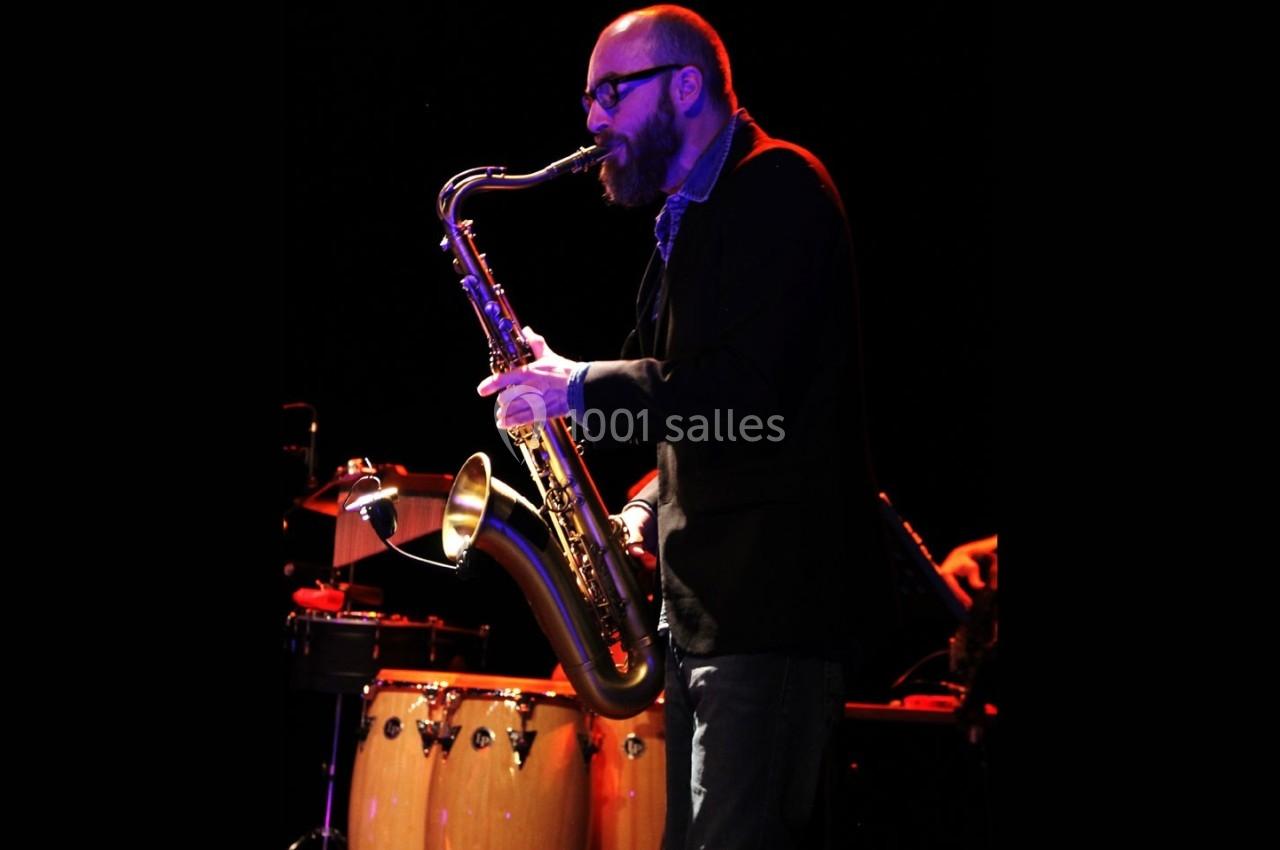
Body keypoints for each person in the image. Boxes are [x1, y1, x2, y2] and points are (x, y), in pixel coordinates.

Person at [478, 6, 879, 848]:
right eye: (589, 100)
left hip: (768, 614)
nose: (592, 122)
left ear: (686, 85)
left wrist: (577, 387)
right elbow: (688, 410)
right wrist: (627, 506)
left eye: (611, 95)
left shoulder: (778, 188)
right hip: (705, 617)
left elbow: (750, 401)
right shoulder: (685, 216)